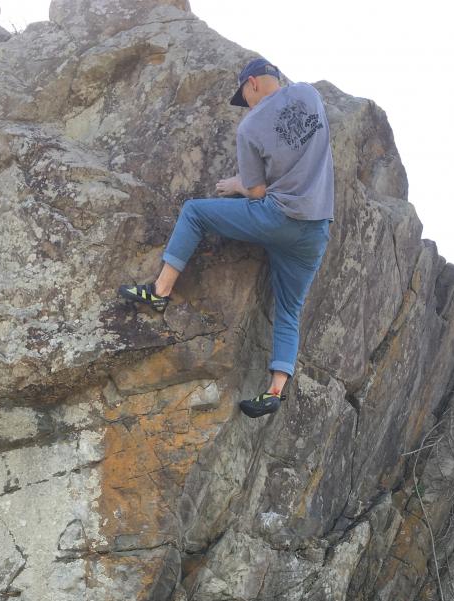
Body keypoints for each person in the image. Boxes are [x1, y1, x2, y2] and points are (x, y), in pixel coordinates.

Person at [118, 58, 334, 418]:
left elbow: (257, 191)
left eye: (243, 96)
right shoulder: (309, 96)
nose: (245, 105)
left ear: (252, 83)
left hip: (277, 217)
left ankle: (160, 291)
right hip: (315, 229)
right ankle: (275, 390)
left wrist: (236, 183)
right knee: (289, 309)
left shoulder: (250, 127)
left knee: (194, 212)